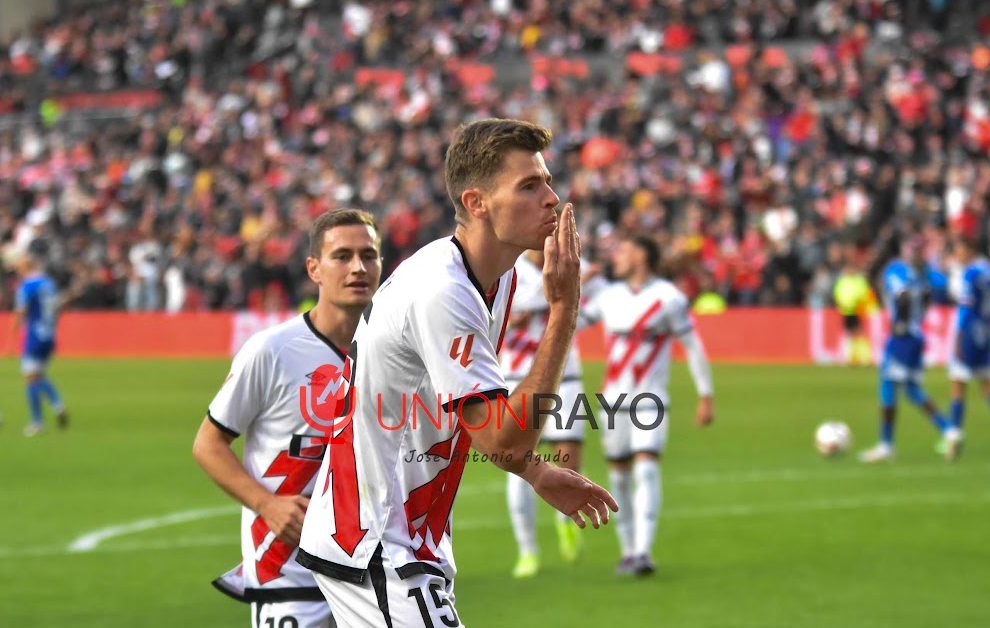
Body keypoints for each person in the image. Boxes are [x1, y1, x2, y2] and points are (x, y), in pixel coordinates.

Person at [296, 118, 617, 628]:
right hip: (375, 540)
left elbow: (471, 412)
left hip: (403, 534)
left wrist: (537, 471)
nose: (551, 198)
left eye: (547, 181)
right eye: (529, 186)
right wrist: (564, 310)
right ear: (476, 202)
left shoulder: (497, 277)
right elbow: (501, 438)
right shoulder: (443, 290)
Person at [192, 209, 383, 628]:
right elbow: (208, 443)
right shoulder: (272, 350)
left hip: (375, 575)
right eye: (342, 256)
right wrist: (267, 504)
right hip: (288, 573)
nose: (358, 267)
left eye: (368, 255)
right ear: (314, 269)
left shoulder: (395, 352)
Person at [579, 234, 714, 576]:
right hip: (613, 404)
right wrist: (572, 288)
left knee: (647, 469)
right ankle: (628, 552)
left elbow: (693, 346)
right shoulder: (610, 297)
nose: (616, 257)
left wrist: (706, 394)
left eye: (623, 251)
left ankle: (643, 552)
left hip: (650, 401)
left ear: (641, 256)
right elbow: (572, 322)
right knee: (619, 478)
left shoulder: (669, 298)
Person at [500, 251, 607, 578]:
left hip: (565, 375)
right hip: (518, 377)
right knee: (518, 463)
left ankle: (566, 520)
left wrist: (573, 313)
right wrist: (570, 289)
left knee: (569, 456)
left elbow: (600, 300)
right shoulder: (505, 269)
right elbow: (513, 309)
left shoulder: (571, 263)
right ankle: (527, 550)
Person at [859, 236, 962, 463]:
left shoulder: (897, 270)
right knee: (911, 389)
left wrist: (901, 324)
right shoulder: (929, 274)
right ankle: (948, 430)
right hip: (917, 336)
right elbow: (944, 290)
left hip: (903, 336)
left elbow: (902, 297)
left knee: (889, 384)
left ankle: (887, 444)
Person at [13, 252, 68, 437]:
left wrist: (14, 329)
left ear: (24, 267)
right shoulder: (49, 283)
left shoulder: (27, 286)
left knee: (30, 378)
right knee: (39, 375)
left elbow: (21, 310)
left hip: (35, 334)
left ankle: (37, 423)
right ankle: (57, 404)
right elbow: (57, 308)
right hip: (49, 334)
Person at [944, 236, 990, 456]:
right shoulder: (986, 270)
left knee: (958, 384)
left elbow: (966, 308)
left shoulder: (970, 274)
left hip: (969, 333)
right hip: (985, 332)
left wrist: (959, 337)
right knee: (986, 385)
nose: (958, 255)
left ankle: (954, 438)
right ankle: (954, 437)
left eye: (960, 250)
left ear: (970, 250)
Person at [833, 253, 878, 366]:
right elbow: (838, 294)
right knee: (851, 334)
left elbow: (864, 293)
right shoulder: (842, 281)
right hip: (846, 311)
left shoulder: (858, 280)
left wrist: (864, 306)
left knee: (858, 333)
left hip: (857, 310)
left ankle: (863, 358)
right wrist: (841, 304)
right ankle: (851, 358)